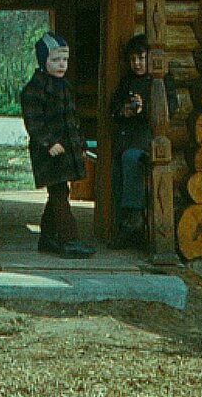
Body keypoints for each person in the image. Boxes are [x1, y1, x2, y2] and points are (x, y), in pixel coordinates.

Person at [19, 32, 95, 259]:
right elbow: (34, 122)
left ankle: (48, 238)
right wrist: (48, 143)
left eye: (64, 60)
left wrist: (79, 143)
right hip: (48, 153)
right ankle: (68, 239)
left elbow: (72, 119)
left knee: (60, 192)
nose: (61, 65)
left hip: (66, 150)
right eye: (55, 60)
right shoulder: (34, 89)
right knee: (59, 192)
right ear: (43, 62)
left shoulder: (65, 87)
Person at [108, 33, 178, 248]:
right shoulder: (127, 81)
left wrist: (145, 107)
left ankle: (134, 221)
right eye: (132, 59)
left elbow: (171, 108)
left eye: (141, 58)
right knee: (117, 169)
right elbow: (113, 109)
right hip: (126, 142)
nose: (137, 63)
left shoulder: (161, 80)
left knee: (131, 159)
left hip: (148, 143)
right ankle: (123, 226)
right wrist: (125, 112)